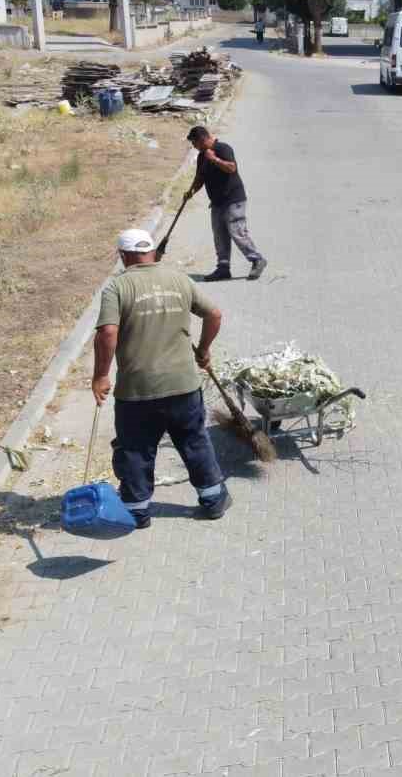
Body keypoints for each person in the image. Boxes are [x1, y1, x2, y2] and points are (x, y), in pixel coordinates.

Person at [92, 228, 231, 527]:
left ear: (123, 256)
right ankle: (213, 500)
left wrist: (101, 376)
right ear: (152, 251)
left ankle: (137, 511)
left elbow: (107, 332)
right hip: (183, 385)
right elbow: (214, 314)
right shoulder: (179, 279)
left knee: (137, 449)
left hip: (137, 391)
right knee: (194, 442)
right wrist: (204, 350)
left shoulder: (117, 288)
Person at [185, 125, 267, 282]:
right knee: (220, 235)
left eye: (195, 144)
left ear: (202, 139)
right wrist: (190, 192)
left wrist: (214, 159)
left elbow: (231, 168)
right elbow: (200, 178)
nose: (194, 147)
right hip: (217, 202)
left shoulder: (222, 148)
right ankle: (223, 268)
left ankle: (257, 260)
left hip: (233, 199)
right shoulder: (202, 156)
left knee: (237, 231)